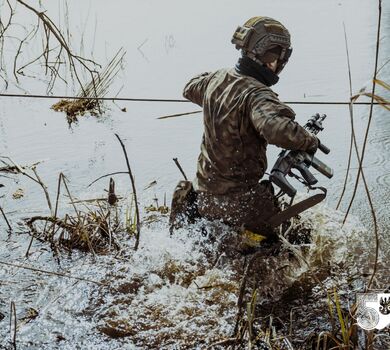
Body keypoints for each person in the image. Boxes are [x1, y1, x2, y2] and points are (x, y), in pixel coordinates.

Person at [170, 16, 318, 242]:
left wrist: (224, 83)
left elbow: (190, 88)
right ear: (273, 58)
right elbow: (276, 128)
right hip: (242, 205)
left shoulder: (216, 79)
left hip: (204, 198)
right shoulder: (257, 94)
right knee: (296, 241)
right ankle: (261, 249)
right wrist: (309, 140)